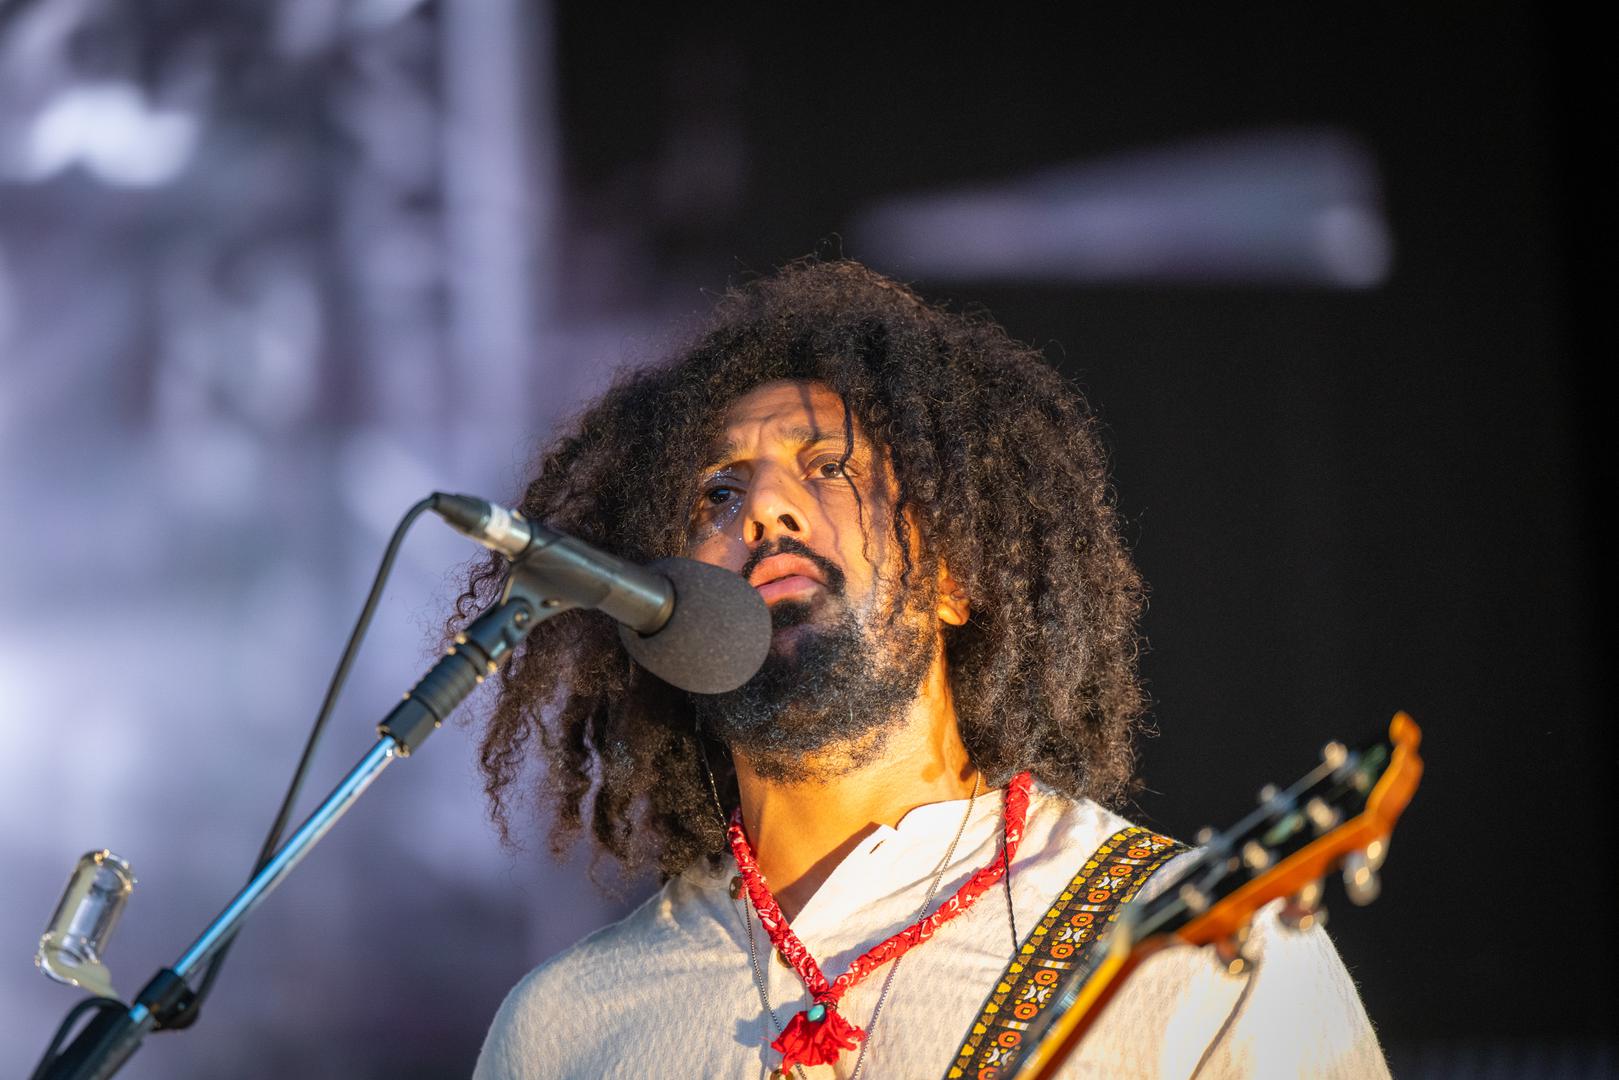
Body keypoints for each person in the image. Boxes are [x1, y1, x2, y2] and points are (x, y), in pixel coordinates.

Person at [466, 260, 1389, 1079]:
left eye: (828, 467)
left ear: (953, 577)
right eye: (716, 491)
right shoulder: (563, 1029)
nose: (766, 509)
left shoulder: (1206, 950)